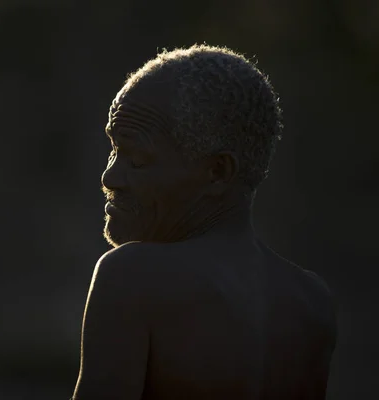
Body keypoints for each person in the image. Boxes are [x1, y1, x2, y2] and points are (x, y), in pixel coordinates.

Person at [72, 44, 337, 400]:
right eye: (115, 149)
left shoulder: (132, 278)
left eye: (136, 159)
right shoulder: (310, 303)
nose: (109, 177)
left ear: (216, 172)